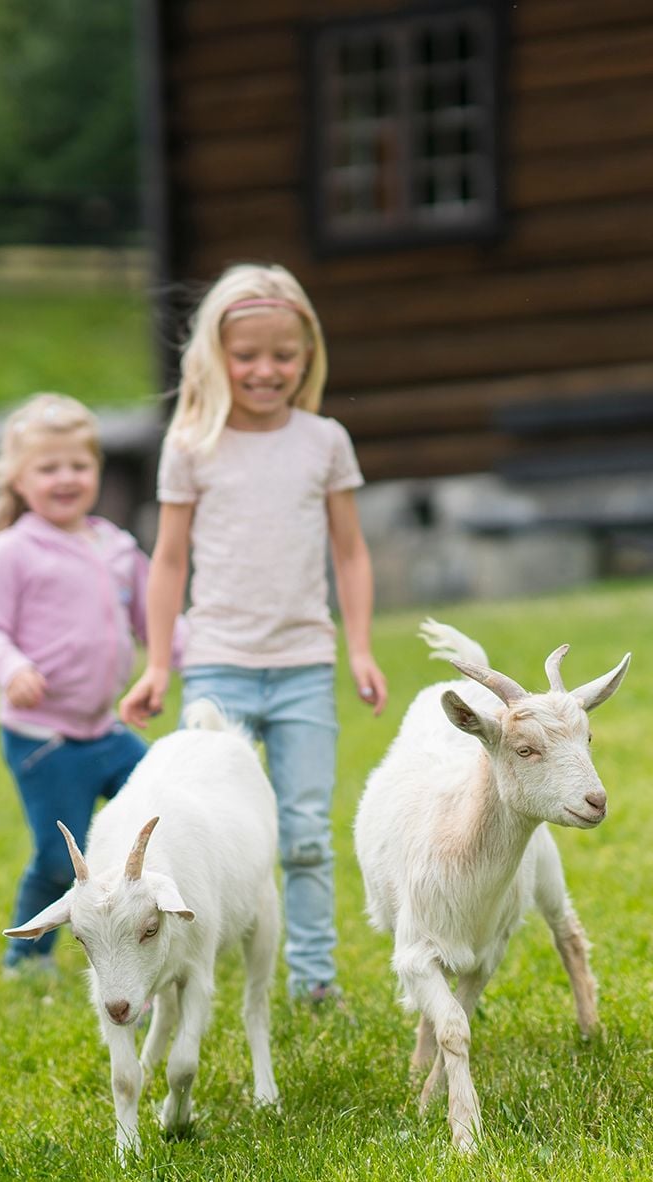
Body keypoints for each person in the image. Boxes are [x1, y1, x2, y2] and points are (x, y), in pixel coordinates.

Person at [119, 263, 389, 1008]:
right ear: (215, 356)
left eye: (284, 355)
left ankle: (314, 974)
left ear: (308, 355)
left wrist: (359, 647)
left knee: (304, 831)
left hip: (303, 665)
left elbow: (351, 551)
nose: (266, 371)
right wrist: (158, 665)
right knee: (202, 826)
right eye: (247, 356)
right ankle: (194, 959)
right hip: (217, 668)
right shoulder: (192, 446)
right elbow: (169, 560)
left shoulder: (324, 441)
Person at [0, 393, 183, 981]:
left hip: (107, 731)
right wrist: (11, 669)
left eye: (77, 466)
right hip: (44, 739)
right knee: (60, 858)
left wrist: (187, 657)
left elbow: (154, 620)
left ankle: (156, 929)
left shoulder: (116, 545)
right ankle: (26, 959)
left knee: (159, 811)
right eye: (47, 468)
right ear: (20, 480)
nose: (65, 479)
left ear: (97, 471)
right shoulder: (14, 550)